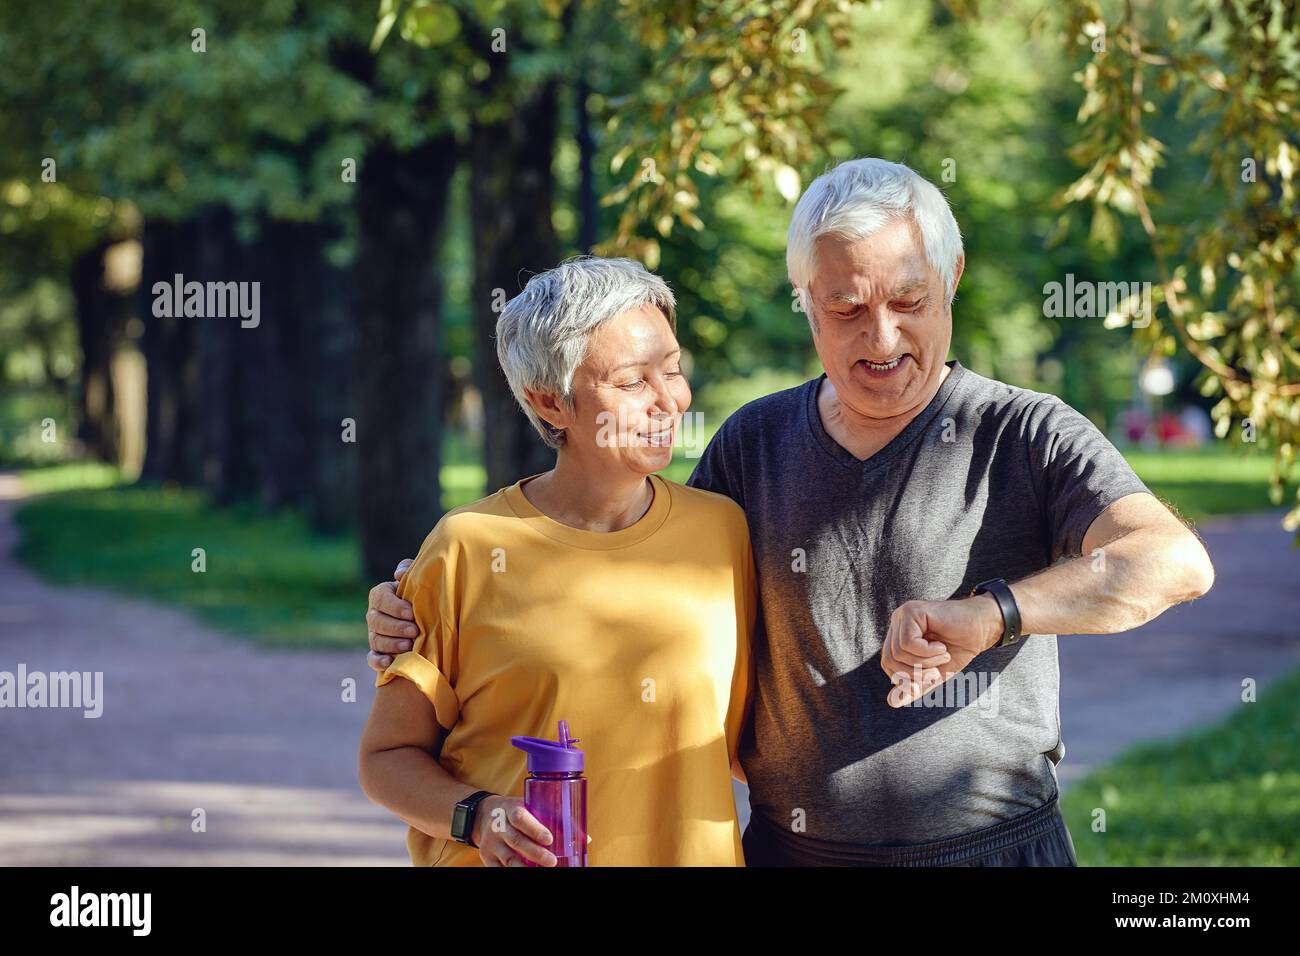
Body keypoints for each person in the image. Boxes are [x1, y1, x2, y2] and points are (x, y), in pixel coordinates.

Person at [369, 158, 1215, 867]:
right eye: (845, 307)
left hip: (992, 848)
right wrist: (421, 602)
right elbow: (625, 543)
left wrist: (995, 612)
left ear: (951, 278)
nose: (880, 339)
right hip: (789, 853)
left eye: (908, 301)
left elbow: (1174, 564)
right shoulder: (750, 446)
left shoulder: (1023, 432)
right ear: (804, 298)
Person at [358, 257, 755, 867]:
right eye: (631, 382)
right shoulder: (465, 547)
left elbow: (752, 739)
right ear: (551, 403)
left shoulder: (723, 532)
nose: (668, 401)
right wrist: (479, 815)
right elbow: (386, 759)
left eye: (673, 371)